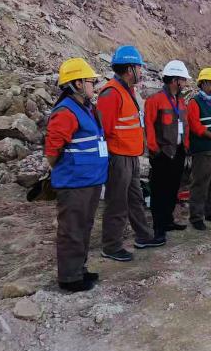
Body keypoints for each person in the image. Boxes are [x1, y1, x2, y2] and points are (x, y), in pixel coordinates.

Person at [45, 58, 107, 292]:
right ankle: (69, 278)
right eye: (91, 81)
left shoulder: (87, 108)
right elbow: (52, 151)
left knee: (84, 226)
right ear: (78, 83)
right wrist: (65, 169)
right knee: (72, 229)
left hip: (90, 180)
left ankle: (79, 269)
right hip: (74, 182)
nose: (94, 85)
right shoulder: (66, 112)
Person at [97, 45, 159, 262]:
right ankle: (111, 246)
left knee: (135, 199)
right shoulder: (111, 93)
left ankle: (144, 236)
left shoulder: (127, 91)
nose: (141, 71)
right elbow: (103, 131)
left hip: (131, 156)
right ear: (129, 69)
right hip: (118, 158)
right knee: (117, 202)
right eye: (139, 67)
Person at [144, 60, 191, 241]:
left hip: (178, 151)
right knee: (159, 191)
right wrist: (154, 150)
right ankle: (159, 227)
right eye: (183, 80)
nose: (185, 83)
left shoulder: (180, 101)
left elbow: (185, 125)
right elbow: (148, 126)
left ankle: (168, 220)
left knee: (172, 189)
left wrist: (186, 146)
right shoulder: (155, 100)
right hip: (162, 154)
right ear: (174, 80)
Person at [187, 67, 211, 230]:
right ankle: (196, 216)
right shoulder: (194, 102)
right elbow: (195, 126)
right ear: (202, 84)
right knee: (200, 184)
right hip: (203, 150)